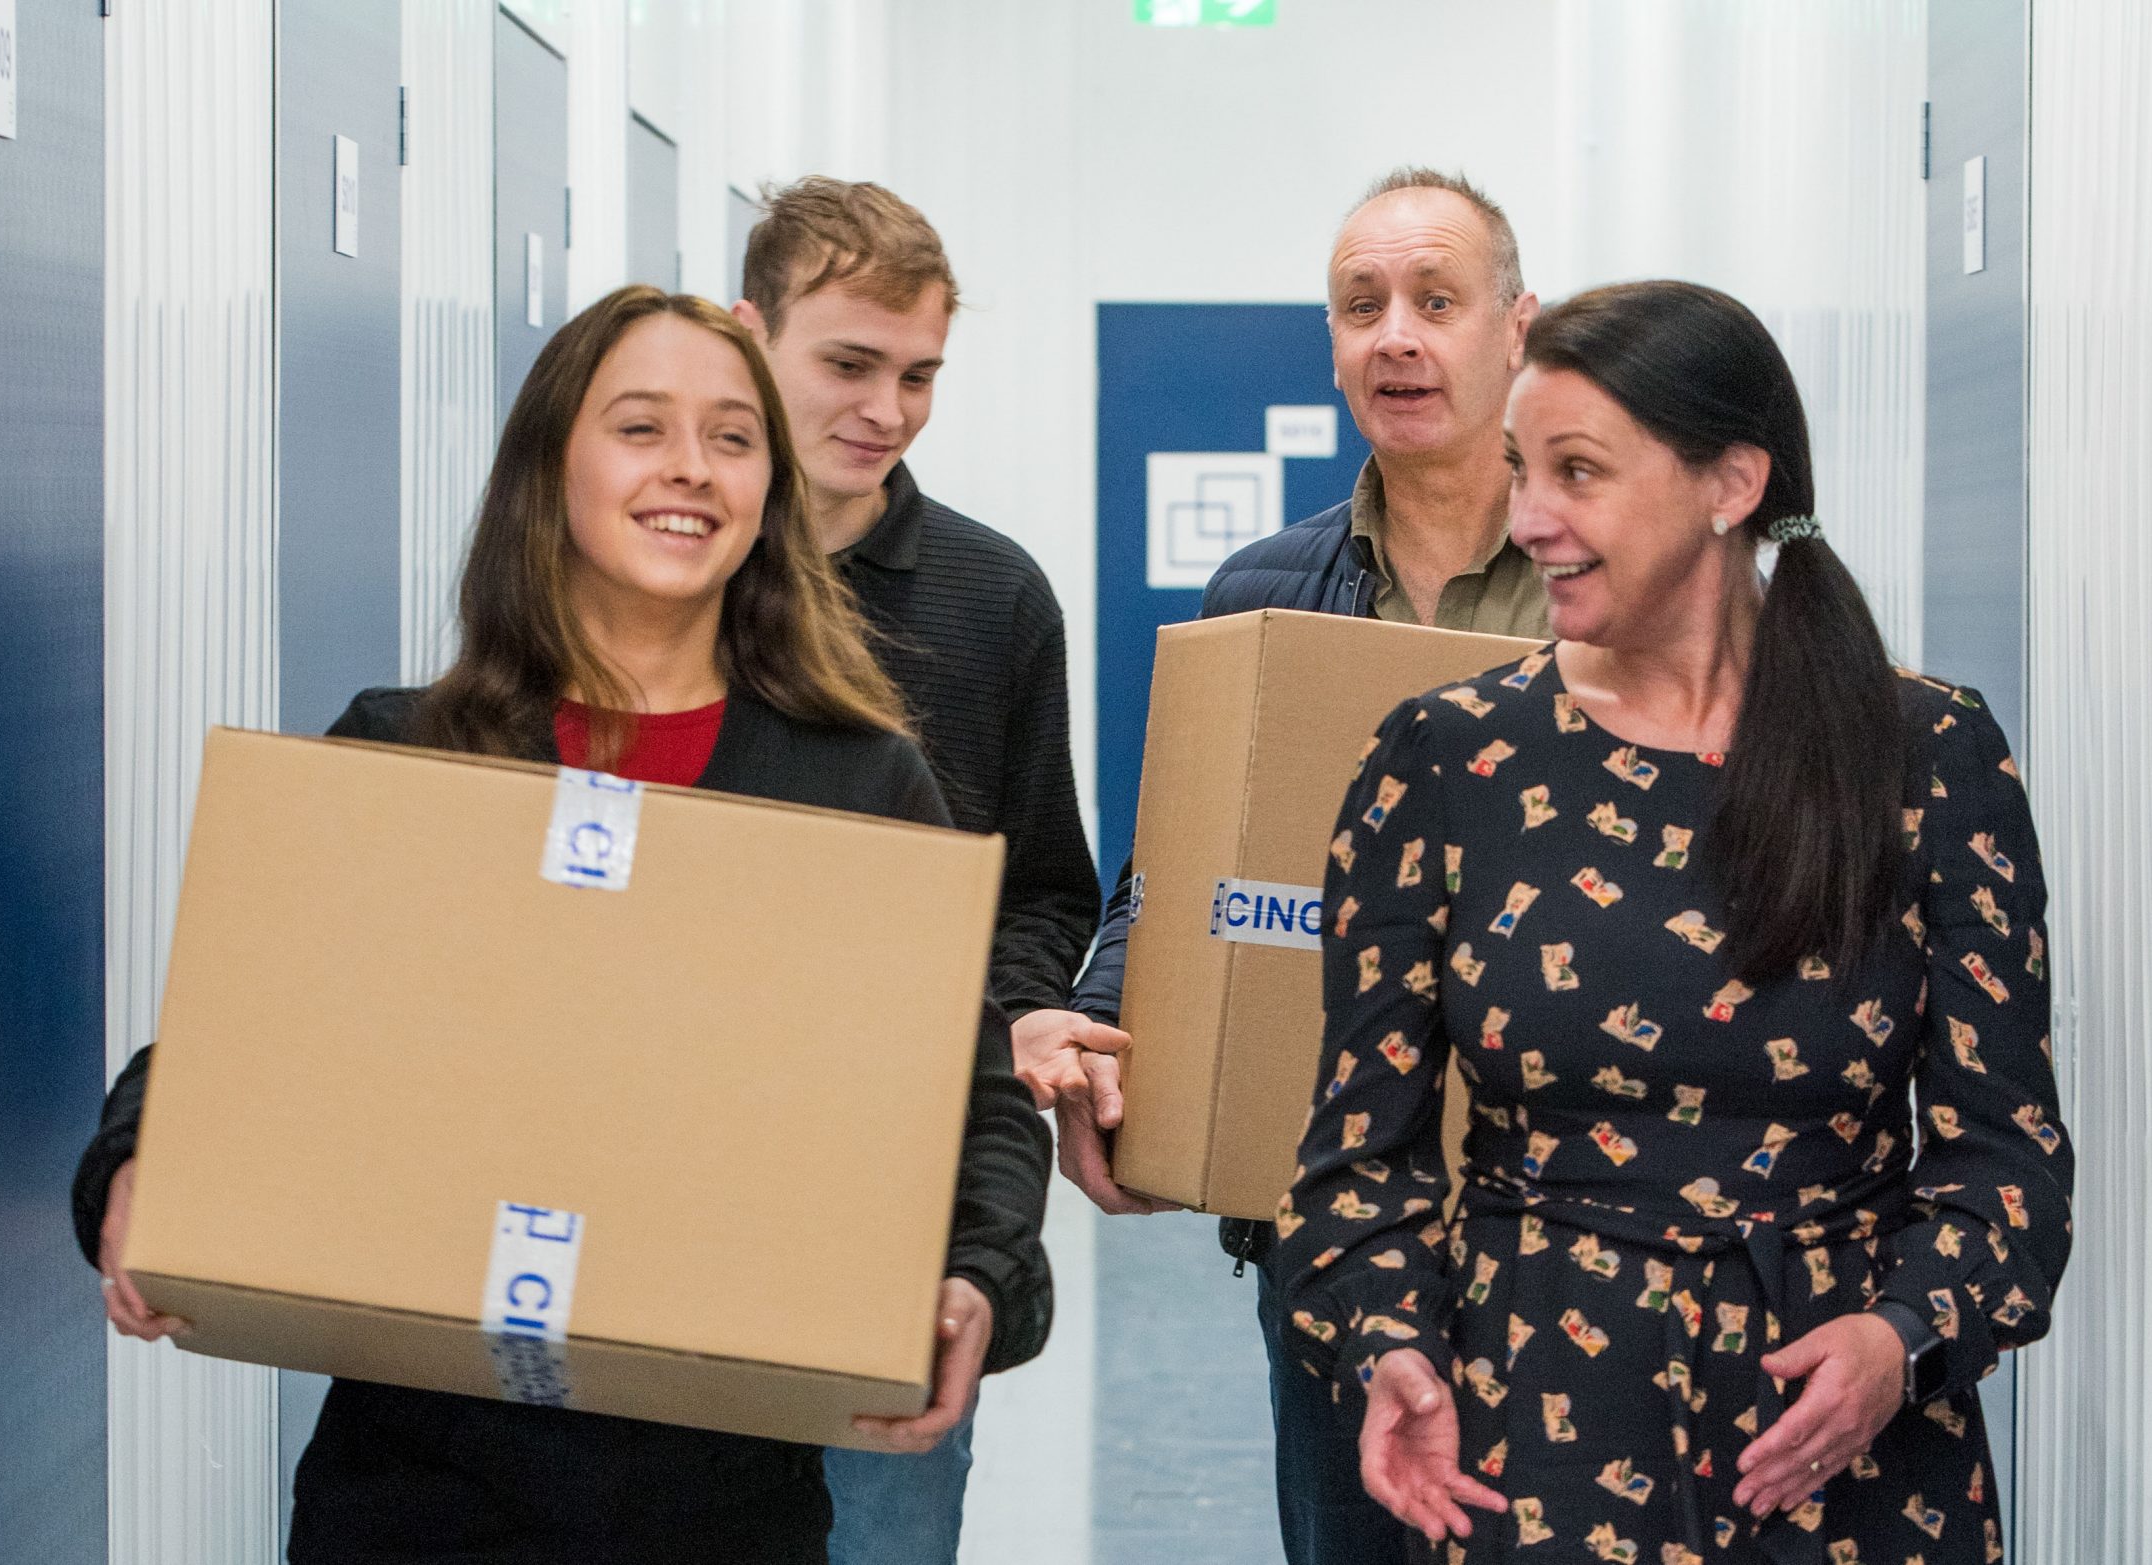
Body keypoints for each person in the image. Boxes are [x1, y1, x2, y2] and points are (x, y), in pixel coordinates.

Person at [72, 285, 1053, 1565]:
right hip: (417, 1489)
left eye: (732, 437)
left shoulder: (857, 786)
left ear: (768, 488)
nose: (690, 469)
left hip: (723, 1499)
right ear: (553, 466)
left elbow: (970, 1103)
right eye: (641, 427)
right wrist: (141, 1158)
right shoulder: (409, 756)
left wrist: (977, 1271)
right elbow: (241, 1031)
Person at [1278, 279, 2073, 1562]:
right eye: (1520, 470)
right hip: (1534, 1429)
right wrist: (1389, 1341)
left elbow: (2008, 1163)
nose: (1530, 521)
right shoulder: (1446, 758)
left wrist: (1902, 1334)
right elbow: (1355, 1161)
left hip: (1845, 1448)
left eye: (1577, 473)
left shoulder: (1923, 752)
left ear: (1730, 483)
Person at [1016, 168, 1551, 1565]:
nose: (1397, 336)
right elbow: (1177, 875)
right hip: (1335, 1216)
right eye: (1361, 304)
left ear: (1518, 328)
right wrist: (1124, 1055)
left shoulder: (1612, 578)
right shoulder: (1262, 591)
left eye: (1437, 301)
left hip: (1573, 1225)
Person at [729, 176, 1099, 1564]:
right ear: (746, 332)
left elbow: (1048, 881)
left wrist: (981, 1021)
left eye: (920, 374)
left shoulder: (993, 598)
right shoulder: (660, 566)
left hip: (895, 1185)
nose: (886, 408)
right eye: (848, 364)